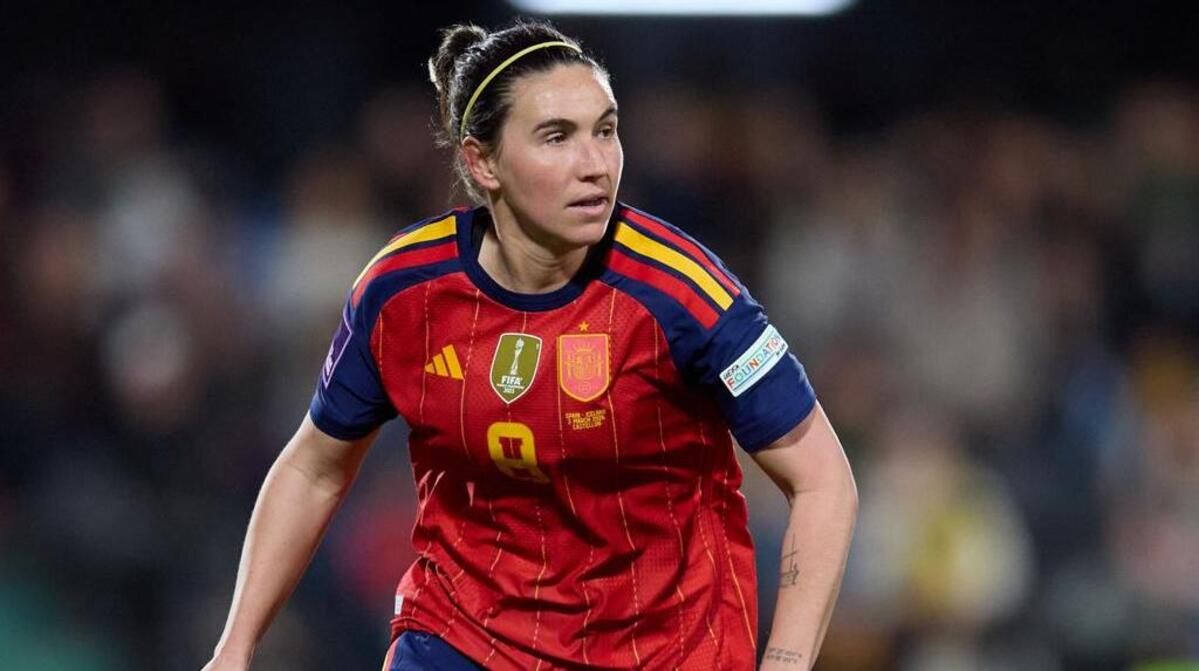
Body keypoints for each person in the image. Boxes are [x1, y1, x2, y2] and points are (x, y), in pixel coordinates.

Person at [202, 19, 857, 671]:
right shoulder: (401, 293)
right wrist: (234, 648)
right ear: (479, 161)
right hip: (460, 637)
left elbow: (822, 478)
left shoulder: (683, 294)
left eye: (605, 130)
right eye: (556, 137)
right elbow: (314, 466)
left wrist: (787, 662)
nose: (595, 163)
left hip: (663, 651)